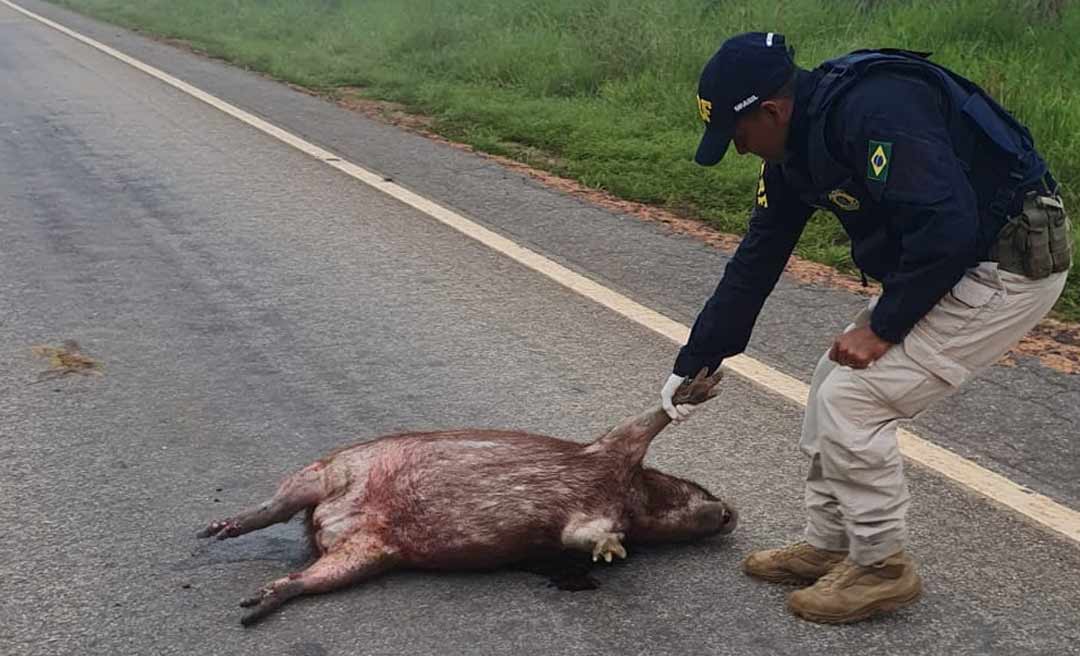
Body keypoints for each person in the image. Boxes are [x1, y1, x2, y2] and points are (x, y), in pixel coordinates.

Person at [661, 32, 1072, 624]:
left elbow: (947, 225)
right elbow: (758, 256)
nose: (740, 151)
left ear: (771, 111)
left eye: (738, 137)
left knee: (856, 399)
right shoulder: (793, 150)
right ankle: (831, 542)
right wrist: (695, 359)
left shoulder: (875, 110)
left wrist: (884, 325)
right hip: (951, 257)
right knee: (831, 377)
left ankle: (882, 567)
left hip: (1007, 264)